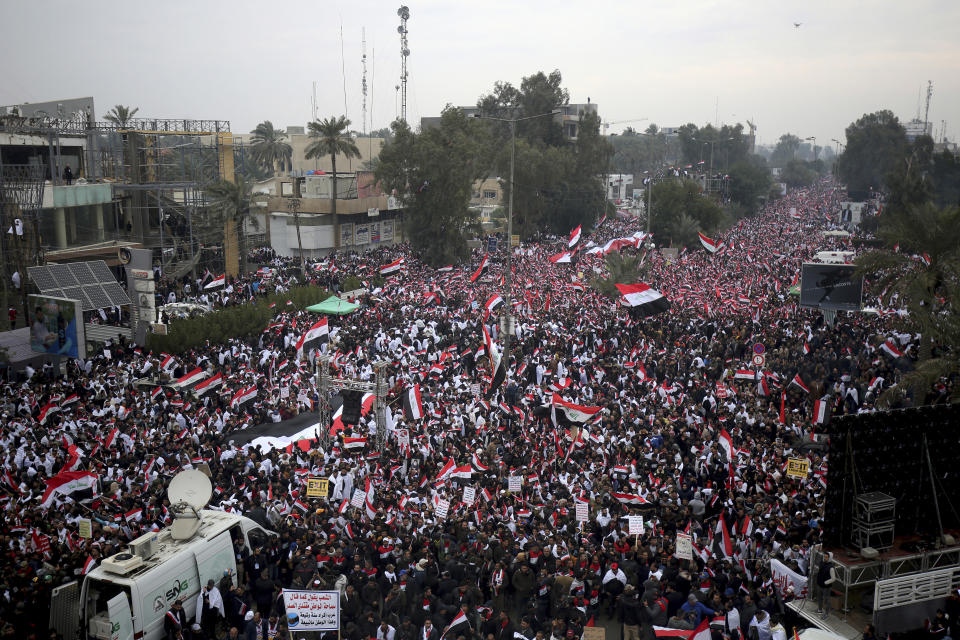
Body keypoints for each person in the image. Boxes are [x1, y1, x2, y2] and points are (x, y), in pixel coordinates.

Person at [817, 552, 837, 619]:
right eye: (824, 556)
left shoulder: (831, 567)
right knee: (819, 598)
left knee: (826, 600)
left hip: (826, 587)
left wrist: (826, 582)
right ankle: (819, 610)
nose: (824, 558)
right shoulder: (822, 563)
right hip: (820, 585)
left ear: (829, 558)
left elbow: (833, 578)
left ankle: (826, 613)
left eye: (826, 557)